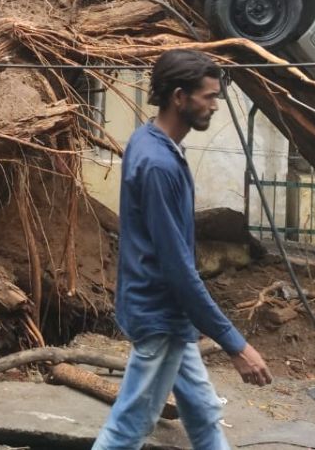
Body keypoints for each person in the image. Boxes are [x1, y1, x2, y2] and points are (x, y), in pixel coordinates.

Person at [93, 49, 272, 450]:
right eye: (208, 97)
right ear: (179, 97)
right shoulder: (158, 164)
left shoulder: (150, 140)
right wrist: (236, 345)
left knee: (204, 412)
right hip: (160, 315)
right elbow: (178, 269)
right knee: (128, 429)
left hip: (166, 311)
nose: (213, 106)